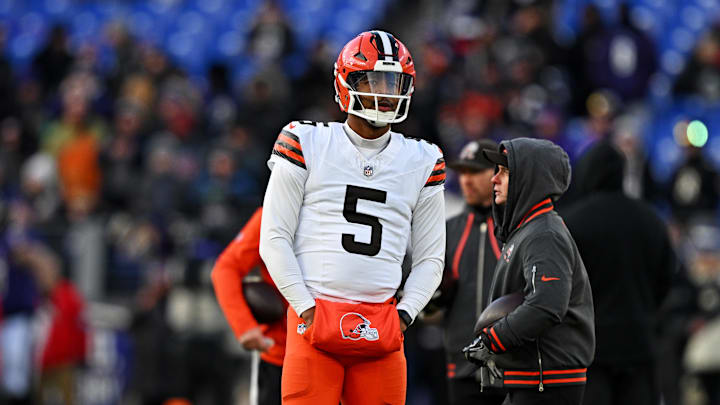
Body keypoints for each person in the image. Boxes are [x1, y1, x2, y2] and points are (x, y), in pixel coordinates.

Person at [258, 30, 445, 404]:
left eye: (394, 82)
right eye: (375, 79)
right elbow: (274, 238)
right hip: (315, 321)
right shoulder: (305, 141)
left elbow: (430, 257)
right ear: (346, 82)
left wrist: (405, 315)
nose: (385, 91)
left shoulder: (423, 160)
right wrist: (307, 308)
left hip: (381, 327)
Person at [464, 138, 595, 405]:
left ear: (529, 178)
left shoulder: (544, 234)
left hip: (548, 380)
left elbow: (547, 304)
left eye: (504, 171)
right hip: (535, 379)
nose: (493, 179)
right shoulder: (528, 229)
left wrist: (493, 340)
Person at [561, 141, 675, 405]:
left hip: (588, 354)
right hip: (639, 347)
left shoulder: (571, 223)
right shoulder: (652, 220)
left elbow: (557, 289)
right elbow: (666, 280)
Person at [435, 139, 505, 405]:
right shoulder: (447, 230)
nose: (466, 180)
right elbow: (429, 314)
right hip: (462, 368)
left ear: (496, 174)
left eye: (475, 171)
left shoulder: (517, 229)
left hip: (511, 368)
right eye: (462, 172)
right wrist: (432, 303)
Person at [212, 207, 287, 405]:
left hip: (332, 352)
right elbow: (226, 268)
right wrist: (244, 326)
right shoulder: (275, 212)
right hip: (281, 353)